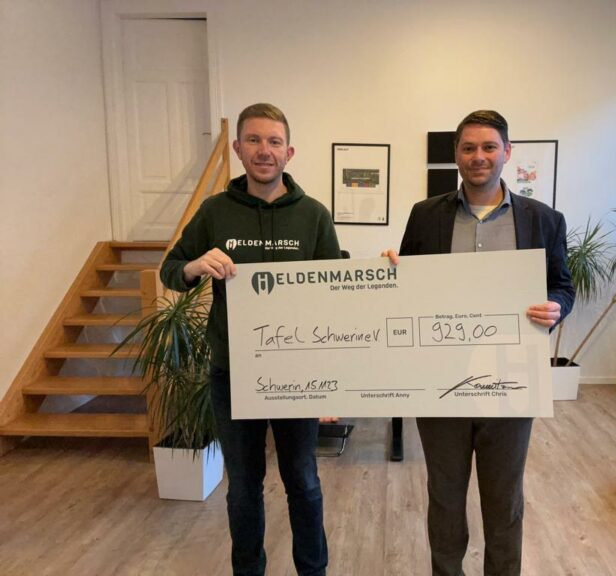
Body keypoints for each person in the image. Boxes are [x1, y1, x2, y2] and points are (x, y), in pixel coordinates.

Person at [384, 110, 575, 576]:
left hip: (512, 380)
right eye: (468, 148)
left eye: (489, 147)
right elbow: (408, 288)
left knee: (504, 500)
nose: (479, 156)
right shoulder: (425, 215)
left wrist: (556, 306)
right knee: (445, 499)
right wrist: (390, 272)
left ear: (507, 152)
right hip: (440, 382)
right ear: (456, 154)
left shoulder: (544, 220)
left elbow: (562, 286)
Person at [161, 103, 340, 576]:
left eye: (274, 141)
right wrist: (194, 267)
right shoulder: (214, 212)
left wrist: (333, 380)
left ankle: (313, 570)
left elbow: (336, 294)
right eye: (255, 140)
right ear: (238, 148)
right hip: (233, 373)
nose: (265, 150)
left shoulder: (313, 216)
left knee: (303, 479)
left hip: (297, 375)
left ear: (289, 152)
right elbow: (171, 270)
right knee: (243, 486)